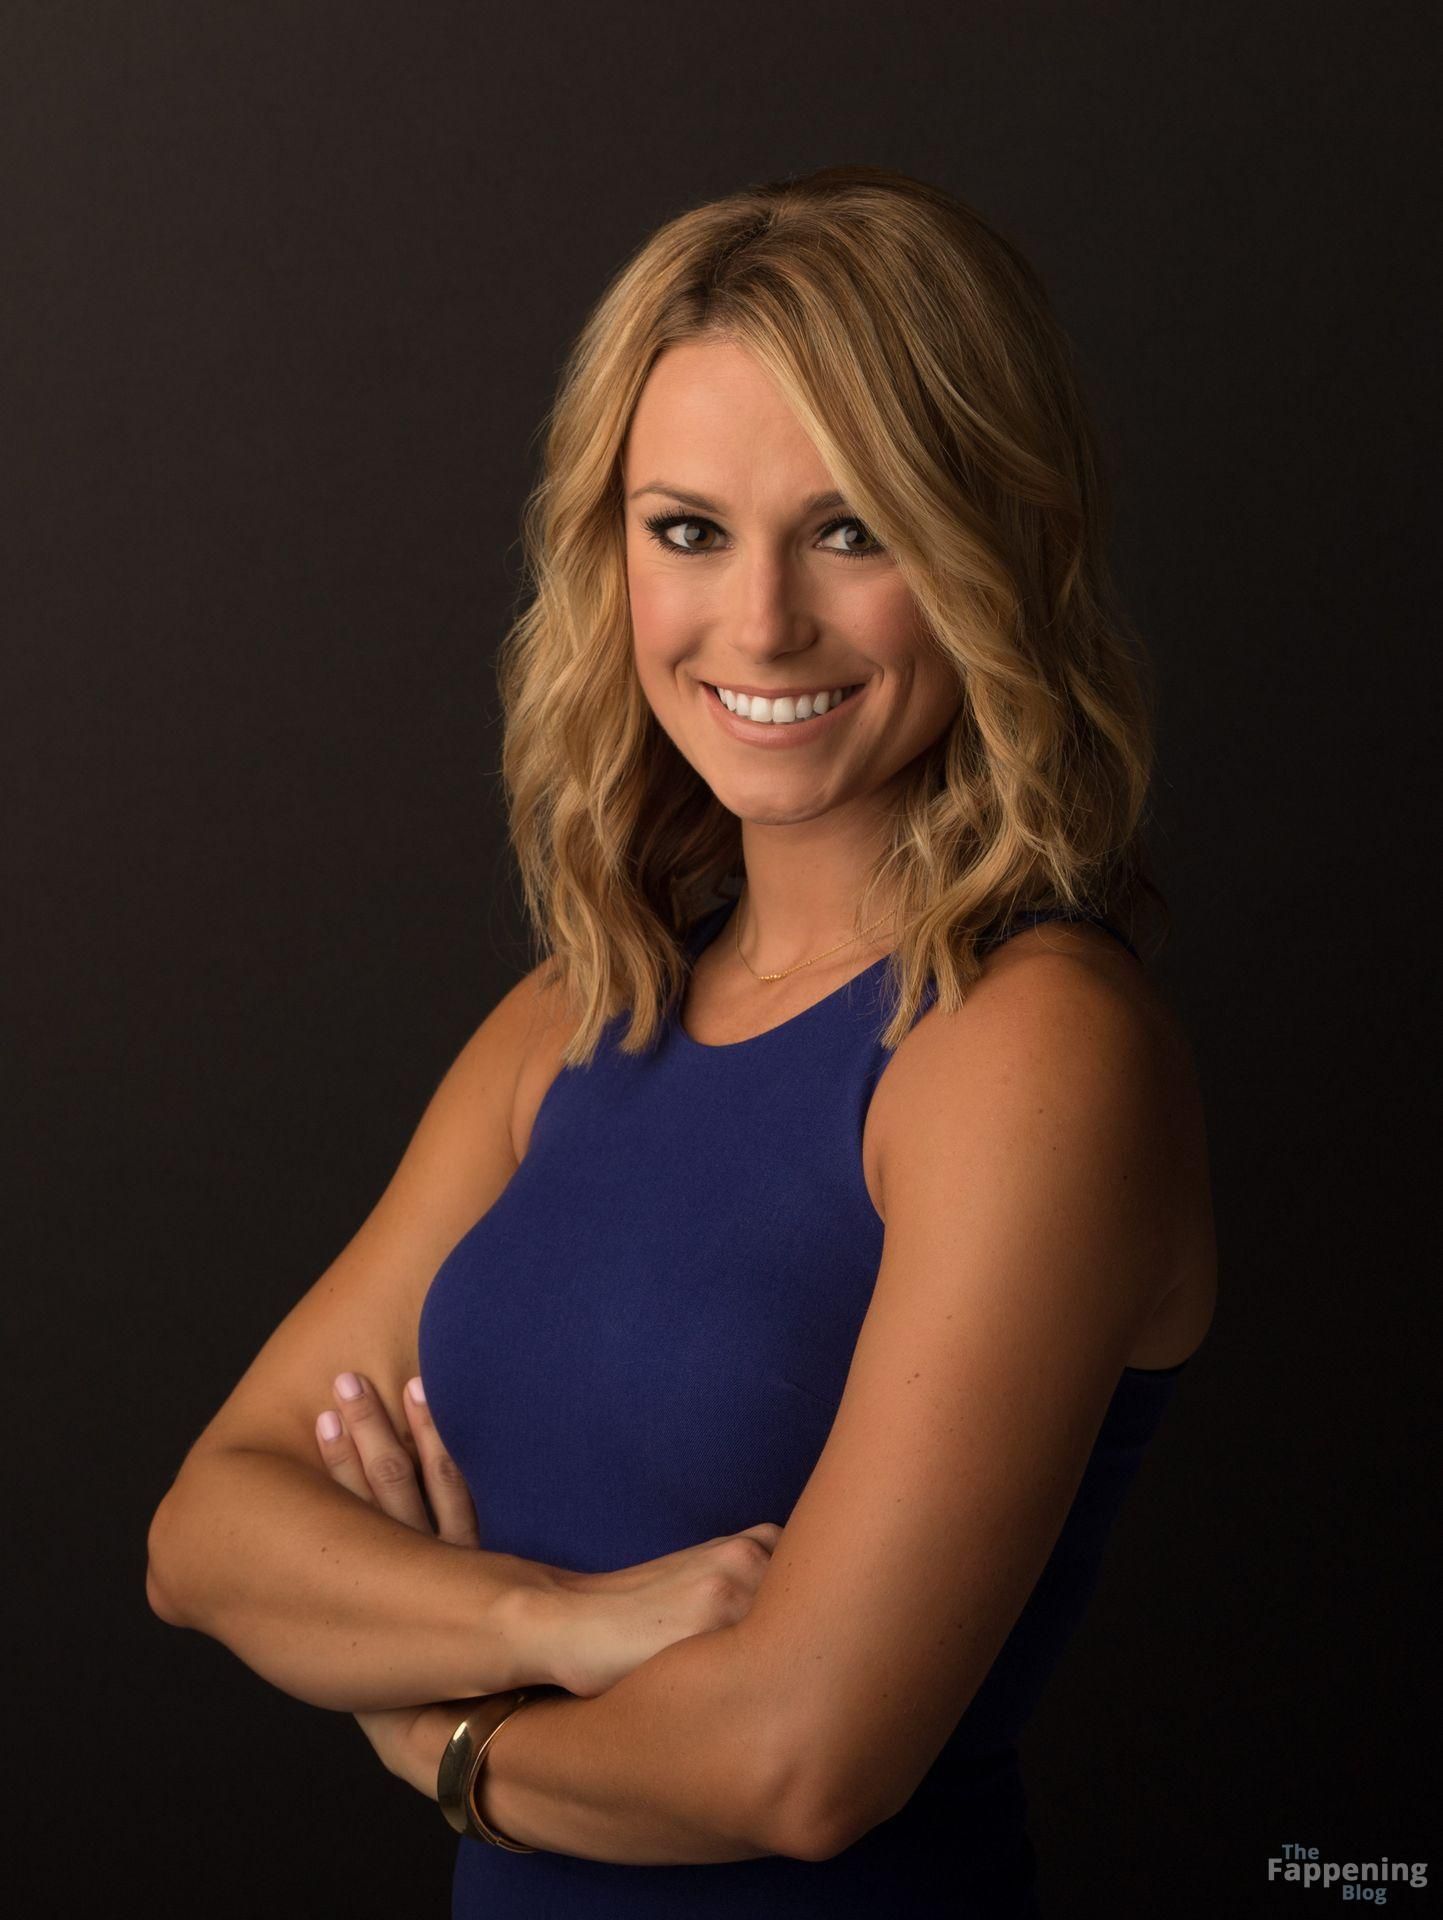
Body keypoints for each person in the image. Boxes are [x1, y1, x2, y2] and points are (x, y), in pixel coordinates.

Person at [147, 164, 1217, 1916]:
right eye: (689, 531)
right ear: (612, 557)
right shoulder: (572, 1021)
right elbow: (206, 1533)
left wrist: (446, 1744)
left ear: (991, 550)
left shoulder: (1033, 1052)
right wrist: (547, 1624)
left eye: (853, 529)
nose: (762, 622)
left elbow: (797, 1762)